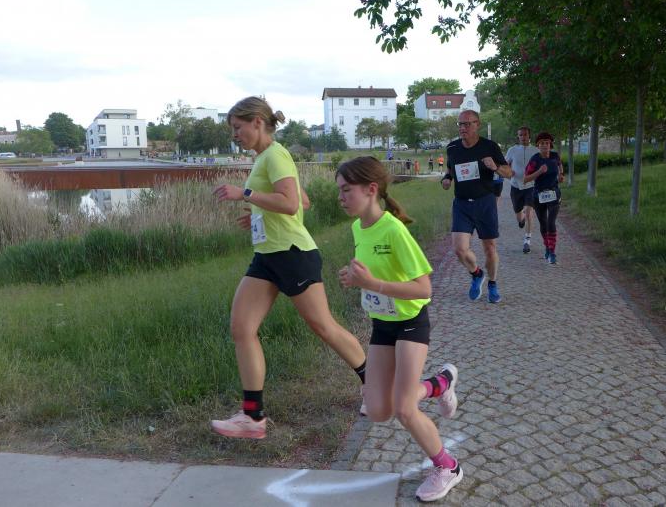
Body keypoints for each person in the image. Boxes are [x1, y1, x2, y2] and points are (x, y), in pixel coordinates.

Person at [210, 96, 368, 439]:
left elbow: (293, 202)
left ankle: (373, 385)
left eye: (237, 127)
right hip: (268, 256)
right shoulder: (264, 158)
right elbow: (302, 202)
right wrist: (259, 213)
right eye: (232, 129)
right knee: (241, 328)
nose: (234, 135)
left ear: (257, 122)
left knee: (324, 326)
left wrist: (246, 195)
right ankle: (253, 417)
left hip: (293, 254)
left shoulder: (275, 155)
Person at [336, 156, 463, 502]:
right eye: (339, 191)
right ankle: (439, 384)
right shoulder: (358, 228)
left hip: (410, 324)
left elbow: (424, 289)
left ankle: (448, 467)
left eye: (346, 190)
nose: (340, 197)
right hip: (382, 325)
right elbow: (373, 273)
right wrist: (354, 278)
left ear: (371, 189)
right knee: (379, 410)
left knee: (405, 409)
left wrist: (373, 284)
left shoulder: (394, 230)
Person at [441, 110, 512, 303]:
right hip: (462, 204)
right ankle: (476, 273)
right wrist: (447, 178)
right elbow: (450, 168)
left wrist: (495, 167)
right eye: (460, 124)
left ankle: (492, 283)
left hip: (484, 202)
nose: (462, 128)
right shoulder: (452, 147)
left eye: (467, 124)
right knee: (459, 249)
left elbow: (509, 173)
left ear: (477, 124)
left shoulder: (490, 147)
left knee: (489, 248)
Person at [524, 131, 564, 264]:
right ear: (538, 145)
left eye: (547, 143)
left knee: (551, 222)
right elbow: (526, 179)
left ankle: (552, 252)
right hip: (539, 195)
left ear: (550, 145)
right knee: (544, 223)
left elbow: (560, 165)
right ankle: (547, 247)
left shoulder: (555, 156)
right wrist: (539, 171)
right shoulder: (535, 160)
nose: (545, 145)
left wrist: (561, 175)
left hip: (554, 193)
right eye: (542, 143)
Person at [505, 126, 539, 254]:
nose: (523, 137)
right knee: (519, 214)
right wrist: (509, 171)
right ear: (518, 137)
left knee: (529, 212)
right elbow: (505, 165)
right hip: (516, 186)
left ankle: (527, 240)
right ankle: (521, 220)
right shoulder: (512, 150)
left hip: (531, 186)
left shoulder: (536, 151)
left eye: (525, 135)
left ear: (529, 136)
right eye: (520, 135)